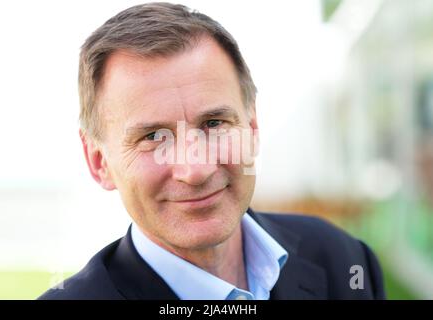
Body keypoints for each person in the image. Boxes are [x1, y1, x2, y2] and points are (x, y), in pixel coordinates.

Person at [39, 2, 385, 300]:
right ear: (99, 162)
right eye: (154, 136)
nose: (196, 169)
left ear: (252, 128)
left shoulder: (344, 259)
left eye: (215, 124)